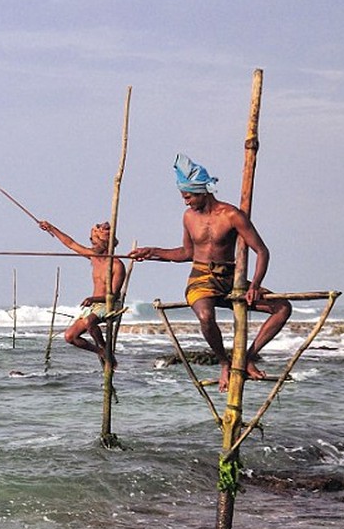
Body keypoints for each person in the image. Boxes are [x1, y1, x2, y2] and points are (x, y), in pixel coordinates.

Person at [130, 154, 291, 390]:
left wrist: (255, 284)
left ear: (202, 191)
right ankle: (225, 363)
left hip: (230, 279)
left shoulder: (231, 215)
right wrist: (153, 251)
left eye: (188, 196)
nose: (186, 202)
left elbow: (262, 251)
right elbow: (186, 253)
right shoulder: (188, 217)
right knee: (206, 317)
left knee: (283, 308)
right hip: (201, 279)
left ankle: (247, 357)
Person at [37, 219, 127, 368]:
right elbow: (71, 244)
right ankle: (100, 351)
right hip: (94, 305)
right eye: (92, 242)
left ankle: (106, 349)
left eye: (96, 243)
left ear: (106, 245)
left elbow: (114, 296)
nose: (92, 246)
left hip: (110, 304)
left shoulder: (117, 265)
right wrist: (51, 228)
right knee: (70, 336)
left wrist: (93, 299)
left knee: (89, 321)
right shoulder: (93, 257)